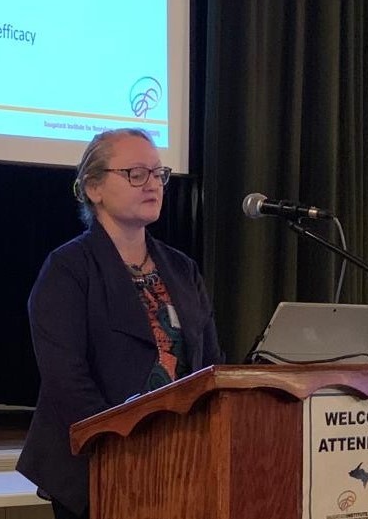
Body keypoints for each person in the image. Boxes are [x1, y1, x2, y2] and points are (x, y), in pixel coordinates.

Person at [16, 128, 225, 519]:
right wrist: (123, 448)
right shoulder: (68, 269)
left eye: (158, 174)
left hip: (183, 462)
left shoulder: (182, 269)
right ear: (93, 188)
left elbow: (212, 364)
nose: (153, 185)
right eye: (135, 173)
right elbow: (67, 381)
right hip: (100, 465)